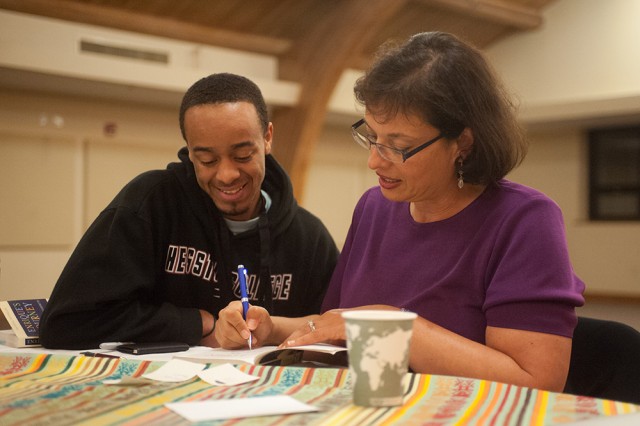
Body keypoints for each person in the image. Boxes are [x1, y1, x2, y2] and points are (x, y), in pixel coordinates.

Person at [215, 32, 585, 392]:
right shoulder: (375, 207)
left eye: (399, 146)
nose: (375, 160)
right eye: (372, 136)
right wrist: (270, 327)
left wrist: (394, 326)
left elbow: (536, 381)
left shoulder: (524, 220)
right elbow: (340, 324)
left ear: (464, 143)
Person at [40, 73, 339, 349]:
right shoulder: (150, 204)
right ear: (189, 149)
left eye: (243, 155)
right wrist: (199, 324)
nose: (226, 175)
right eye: (207, 160)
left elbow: (339, 325)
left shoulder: (308, 239)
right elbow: (65, 322)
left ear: (268, 137)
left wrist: (273, 330)